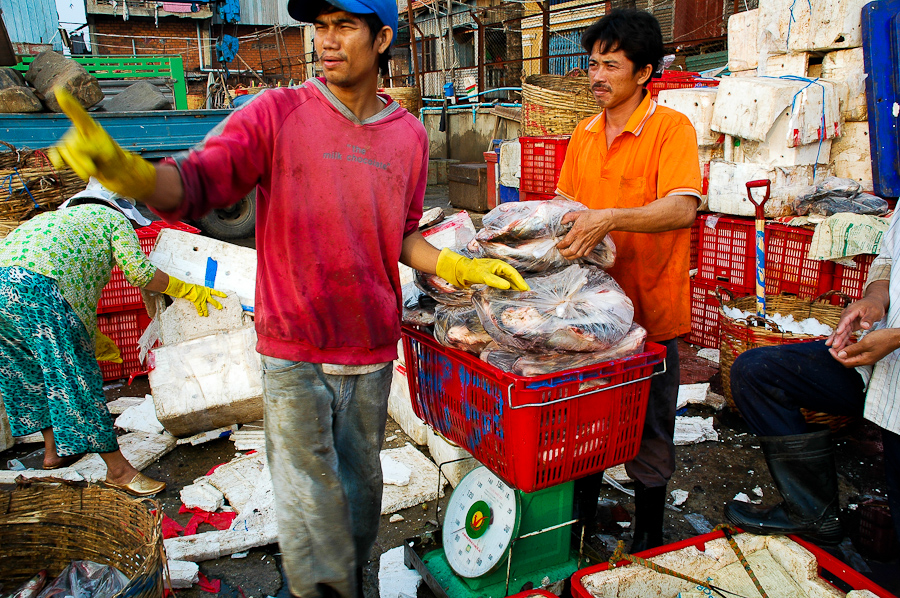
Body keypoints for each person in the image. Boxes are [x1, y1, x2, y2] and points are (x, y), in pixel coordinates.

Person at [47, 0, 527, 595]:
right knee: (311, 510)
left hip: (370, 352)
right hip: (293, 352)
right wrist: (132, 174)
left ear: (381, 39)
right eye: (319, 26)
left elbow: (401, 233)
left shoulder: (407, 136)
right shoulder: (274, 114)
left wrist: (455, 261)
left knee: (358, 500)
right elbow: (201, 180)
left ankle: (348, 583)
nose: (327, 40)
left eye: (343, 26)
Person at [552, 8, 701, 553]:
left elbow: (682, 208)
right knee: (586, 424)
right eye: (592, 64)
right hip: (590, 317)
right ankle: (581, 532)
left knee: (651, 429)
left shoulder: (671, 129)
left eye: (610, 65)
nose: (596, 76)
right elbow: (566, 210)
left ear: (643, 72)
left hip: (651, 309)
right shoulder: (585, 134)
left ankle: (650, 538)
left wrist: (611, 217)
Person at [0, 179, 225, 496]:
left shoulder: (51, 219)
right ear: (119, 206)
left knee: (29, 373)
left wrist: (85, 333)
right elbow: (139, 272)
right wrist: (185, 288)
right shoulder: (112, 219)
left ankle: (53, 454)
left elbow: (62, 274)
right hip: (40, 290)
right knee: (75, 379)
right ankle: (118, 471)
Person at [725, 214, 900, 547]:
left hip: (894, 376)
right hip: (879, 365)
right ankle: (814, 512)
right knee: (756, 370)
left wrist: (896, 338)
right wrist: (875, 301)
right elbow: (889, 260)